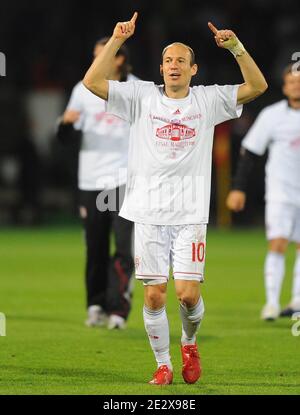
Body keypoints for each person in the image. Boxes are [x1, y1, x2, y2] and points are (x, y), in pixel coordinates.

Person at [83, 12, 267, 385]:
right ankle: (163, 364)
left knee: (186, 295)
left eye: (181, 60)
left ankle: (189, 341)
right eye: (168, 60)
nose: (173, 66)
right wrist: (117, 40)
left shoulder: (208, 100)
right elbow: (92, 81)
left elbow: (258, 86)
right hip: (148, 212)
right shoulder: (140, 96)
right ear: (161, 67)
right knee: (153, 298)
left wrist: (236, 48)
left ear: (194, 69)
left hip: (190, 213)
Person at [57, 38, 136, 330]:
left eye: (102, 54)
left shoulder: (135, 88)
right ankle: (96, 304)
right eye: (94, 54)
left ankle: (118, 310)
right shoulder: (82, 90)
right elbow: (65, 138)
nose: (96, 59)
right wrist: (64, 124)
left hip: (126, 181)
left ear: (119, 58)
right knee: (95, 247)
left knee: (126, 249)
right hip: (92, 181)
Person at [227, 64, 300, 321]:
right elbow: (251, 152)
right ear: (284, 86)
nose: (296, 85)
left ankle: (297, 300)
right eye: (291, 81)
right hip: (281, 190)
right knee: (278, 243)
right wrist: (238, 187)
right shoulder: (272, 115)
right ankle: (271, 303)